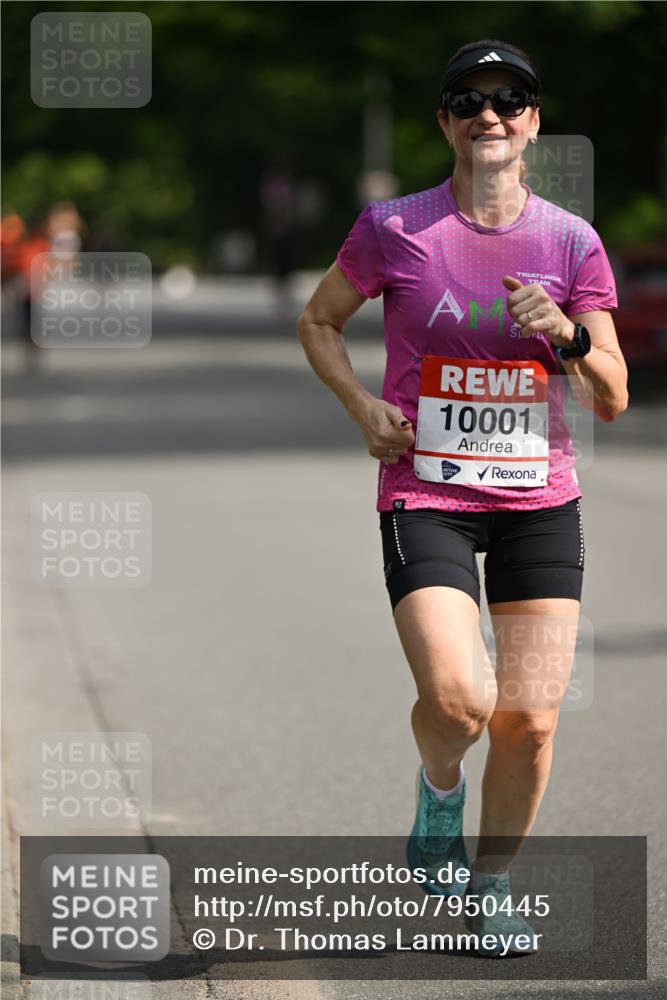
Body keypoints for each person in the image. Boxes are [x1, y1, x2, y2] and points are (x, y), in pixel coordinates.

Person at [296, 39, 628, 957]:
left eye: (508, 98)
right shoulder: (394, 228)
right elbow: (319, 320)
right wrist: (363, 405)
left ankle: (488, 885)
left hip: (537, 499)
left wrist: (564, 333)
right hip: (425, 491)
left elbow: (612, 391)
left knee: (526, 722)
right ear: (443, 121)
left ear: (530, 121)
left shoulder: (569, 240)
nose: (489, 113)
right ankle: (438, 792)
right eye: (466, 99)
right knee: (458, 701)